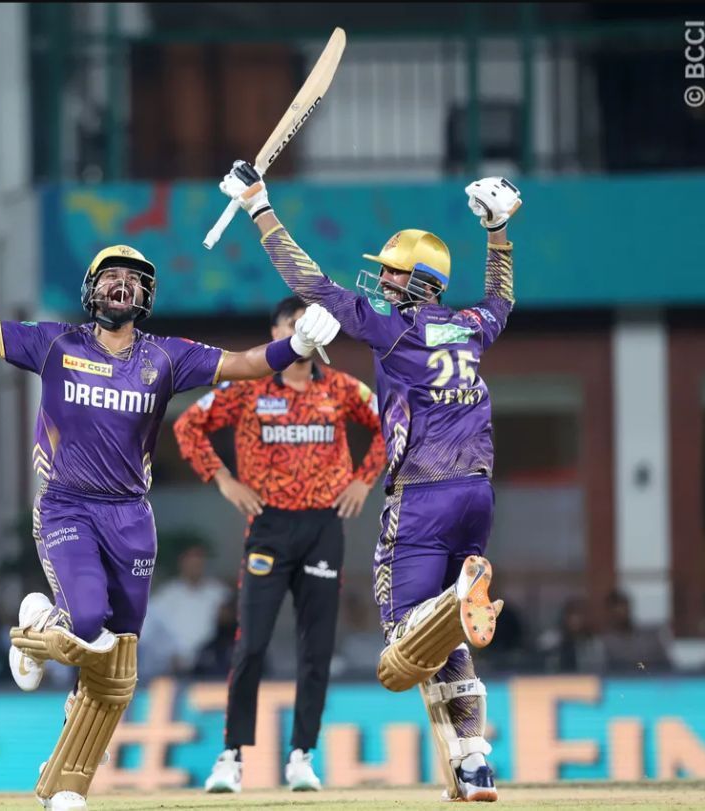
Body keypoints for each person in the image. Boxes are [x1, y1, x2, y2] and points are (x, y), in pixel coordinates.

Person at [0, 234, 340, 811]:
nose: (123, 284)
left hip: (132, 519)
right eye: (112, 275)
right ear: (93, 289)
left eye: (134, 279)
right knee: (88, 621)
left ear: (146, 295)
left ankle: (66, 781)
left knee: (116, 669)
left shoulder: (165, 356)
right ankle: (38, 631)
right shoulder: (54, 344)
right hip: (68, 506)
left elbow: (242, 364)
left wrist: (298, 345)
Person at [218, 162, 521, 802]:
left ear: (421, 283)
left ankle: (453, 602)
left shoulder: (395, 327)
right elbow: (501, 300)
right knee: (444, 646)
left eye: (392, 272)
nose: (382, 280)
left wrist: (258, 207)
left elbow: (309, 283)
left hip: (421, 493)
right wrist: (497, 232)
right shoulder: (470, 326)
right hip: (478, 493)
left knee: (403, 637)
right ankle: (472, 763)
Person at [173, 294, 386, 792]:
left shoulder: (341, 388)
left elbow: (390, 426)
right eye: (294, 323)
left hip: (323, 528)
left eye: (312, 322)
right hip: (268, 527)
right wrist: (224, 480)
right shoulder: (247, 388)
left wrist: (363, 480)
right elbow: (188, 426)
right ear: (275, 335)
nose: (305, 330)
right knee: (253, 645)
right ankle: (231, 757)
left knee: (317, 648)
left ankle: (302, 756)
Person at [144, 543, 230, 675]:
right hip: (172, 664)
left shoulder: (219, 593)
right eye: (191, 562)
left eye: (199, 563)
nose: (195, 567)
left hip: (210, 663)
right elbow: (152, 629)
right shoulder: (167, 594)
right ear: (182, 563)